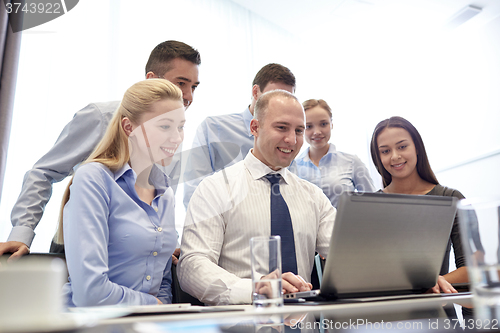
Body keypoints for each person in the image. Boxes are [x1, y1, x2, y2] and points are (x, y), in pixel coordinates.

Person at [0, 40, 200, 259]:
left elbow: (159, 208)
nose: (189, 95)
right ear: (152, 79)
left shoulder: (172, 140)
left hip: (134, 261)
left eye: (194, 87)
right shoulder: (101, 117)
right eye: (181, 83)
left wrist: (165, 244)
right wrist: (21, 234)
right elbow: (43, 173)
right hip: (80, 252)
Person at [177, 90, 335, 305]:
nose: (292, 139)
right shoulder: (215, 189)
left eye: (299, 130)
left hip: (303, 324)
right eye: (281, 127)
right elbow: (192, 266)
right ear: (254, 127)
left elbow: (347, 254)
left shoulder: (313, 196)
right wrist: (255, 290)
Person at [61, 79, 184, 306]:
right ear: (129, 127)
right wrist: (152, 306)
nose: (177, 137)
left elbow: (162, 284)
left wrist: (164, 316)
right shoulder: (94, 179)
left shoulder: (166, 194)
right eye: (165, 126)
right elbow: (90, 293)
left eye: (180, 126)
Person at [370, 116, 468, 293]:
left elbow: (470, 269)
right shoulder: (370, 206)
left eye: (402, 146)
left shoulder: (450, 198)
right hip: (384, 313)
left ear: (417, 148)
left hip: (436, 313)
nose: (395, 156)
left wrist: (434, 282)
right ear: (378, 158)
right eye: (385, 151)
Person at [183, 63, 295, 209]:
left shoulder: (289, 139)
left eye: (287, 98)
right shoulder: (213, 129)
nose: (281, 105)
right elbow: (194, 191)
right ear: (256, 92)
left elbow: (292, 189)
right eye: (273, 96)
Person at [289, 99, 376, 207]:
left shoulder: (352, 162)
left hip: (344, 224)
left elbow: (372, 203)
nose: (317, 132)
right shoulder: (292, 166)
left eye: (323, 124)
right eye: (309, 126)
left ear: (332, 124)